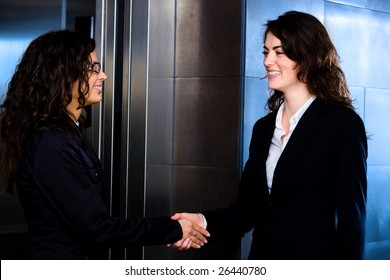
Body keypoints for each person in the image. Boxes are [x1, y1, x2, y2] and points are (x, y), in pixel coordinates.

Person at [171, 11, 367, 259]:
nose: (267, 61)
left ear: (307, 56)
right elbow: (247, 210)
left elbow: (353, 221)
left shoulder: (342, 124)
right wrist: (201, 221)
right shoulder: (263, 128)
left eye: (279, 52)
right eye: (266, 52)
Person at [0, 30, 209, 259]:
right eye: (93, 68)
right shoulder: (53, 143)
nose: (103, 76)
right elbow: (97, 229)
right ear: (61, 74)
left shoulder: (68, 133)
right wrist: (175, 229)